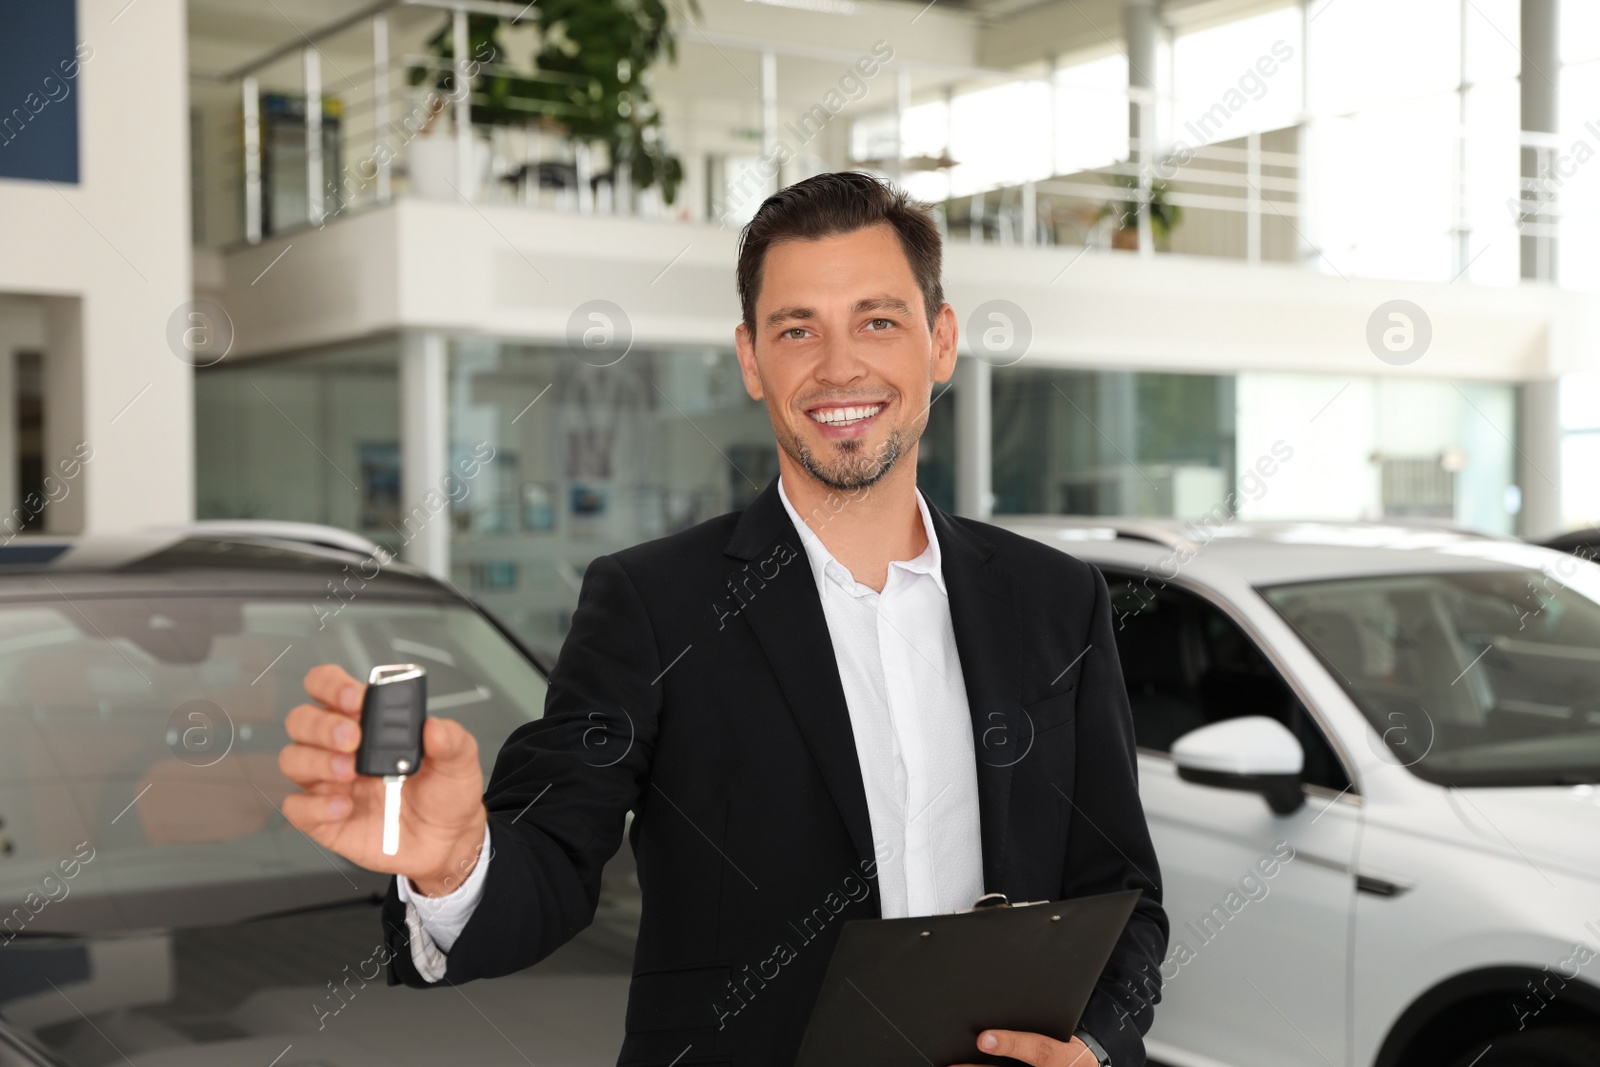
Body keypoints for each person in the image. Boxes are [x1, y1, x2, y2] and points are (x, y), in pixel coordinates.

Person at [279, 171, 1169, 1066]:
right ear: (750, 359)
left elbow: (1124, 896)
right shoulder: (655, 604)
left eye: (878, 320)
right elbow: (554, 854)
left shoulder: (1057, 599)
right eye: (797, 330)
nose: (839, 366)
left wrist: (1091, 1047)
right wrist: (454, 859)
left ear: (940, 342)